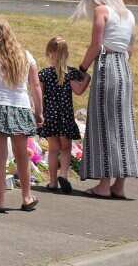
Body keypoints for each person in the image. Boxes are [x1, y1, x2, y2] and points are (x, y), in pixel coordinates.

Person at [73, 0, 138, 198]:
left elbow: (96, 44)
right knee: (123, 123)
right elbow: (131, 48)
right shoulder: (128, 14)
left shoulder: (102, 10)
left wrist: (82, 68)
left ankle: (103, 184)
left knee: (104, 122)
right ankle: (119, 185)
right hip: (123, 67)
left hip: (106, 64)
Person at [0, 15, 42, 212]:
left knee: (0, 157)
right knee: (22, 155)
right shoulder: (26, 55)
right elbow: (35, 85)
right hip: (21, 107)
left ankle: (0, 200)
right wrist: (39, 112)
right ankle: (27, 197)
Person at [38, 36, 87, 194]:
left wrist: (38, 113)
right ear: (66, 54)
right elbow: (79, 91)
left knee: (53, 149)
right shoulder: (71, 74)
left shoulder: (44, 74)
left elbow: (39, 94)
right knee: (66, 149)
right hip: (65, 116)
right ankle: (64, 175)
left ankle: (52, 182)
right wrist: (87, 78)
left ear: (49, 53)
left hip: (50, 116)